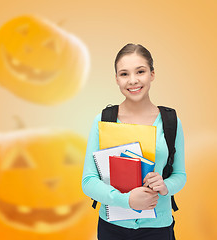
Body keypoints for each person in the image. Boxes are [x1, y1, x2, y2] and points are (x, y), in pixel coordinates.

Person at [81, 43, 186, 240]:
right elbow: (88, 181)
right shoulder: (103, 120)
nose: (133, 80)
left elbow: (180, 174)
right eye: (124, 74)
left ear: (152, 74)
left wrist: (166, 186)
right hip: (112, 227)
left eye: (140, 71)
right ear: (116, 79)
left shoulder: (171, 122)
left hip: (158, 227)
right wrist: (125, 200)